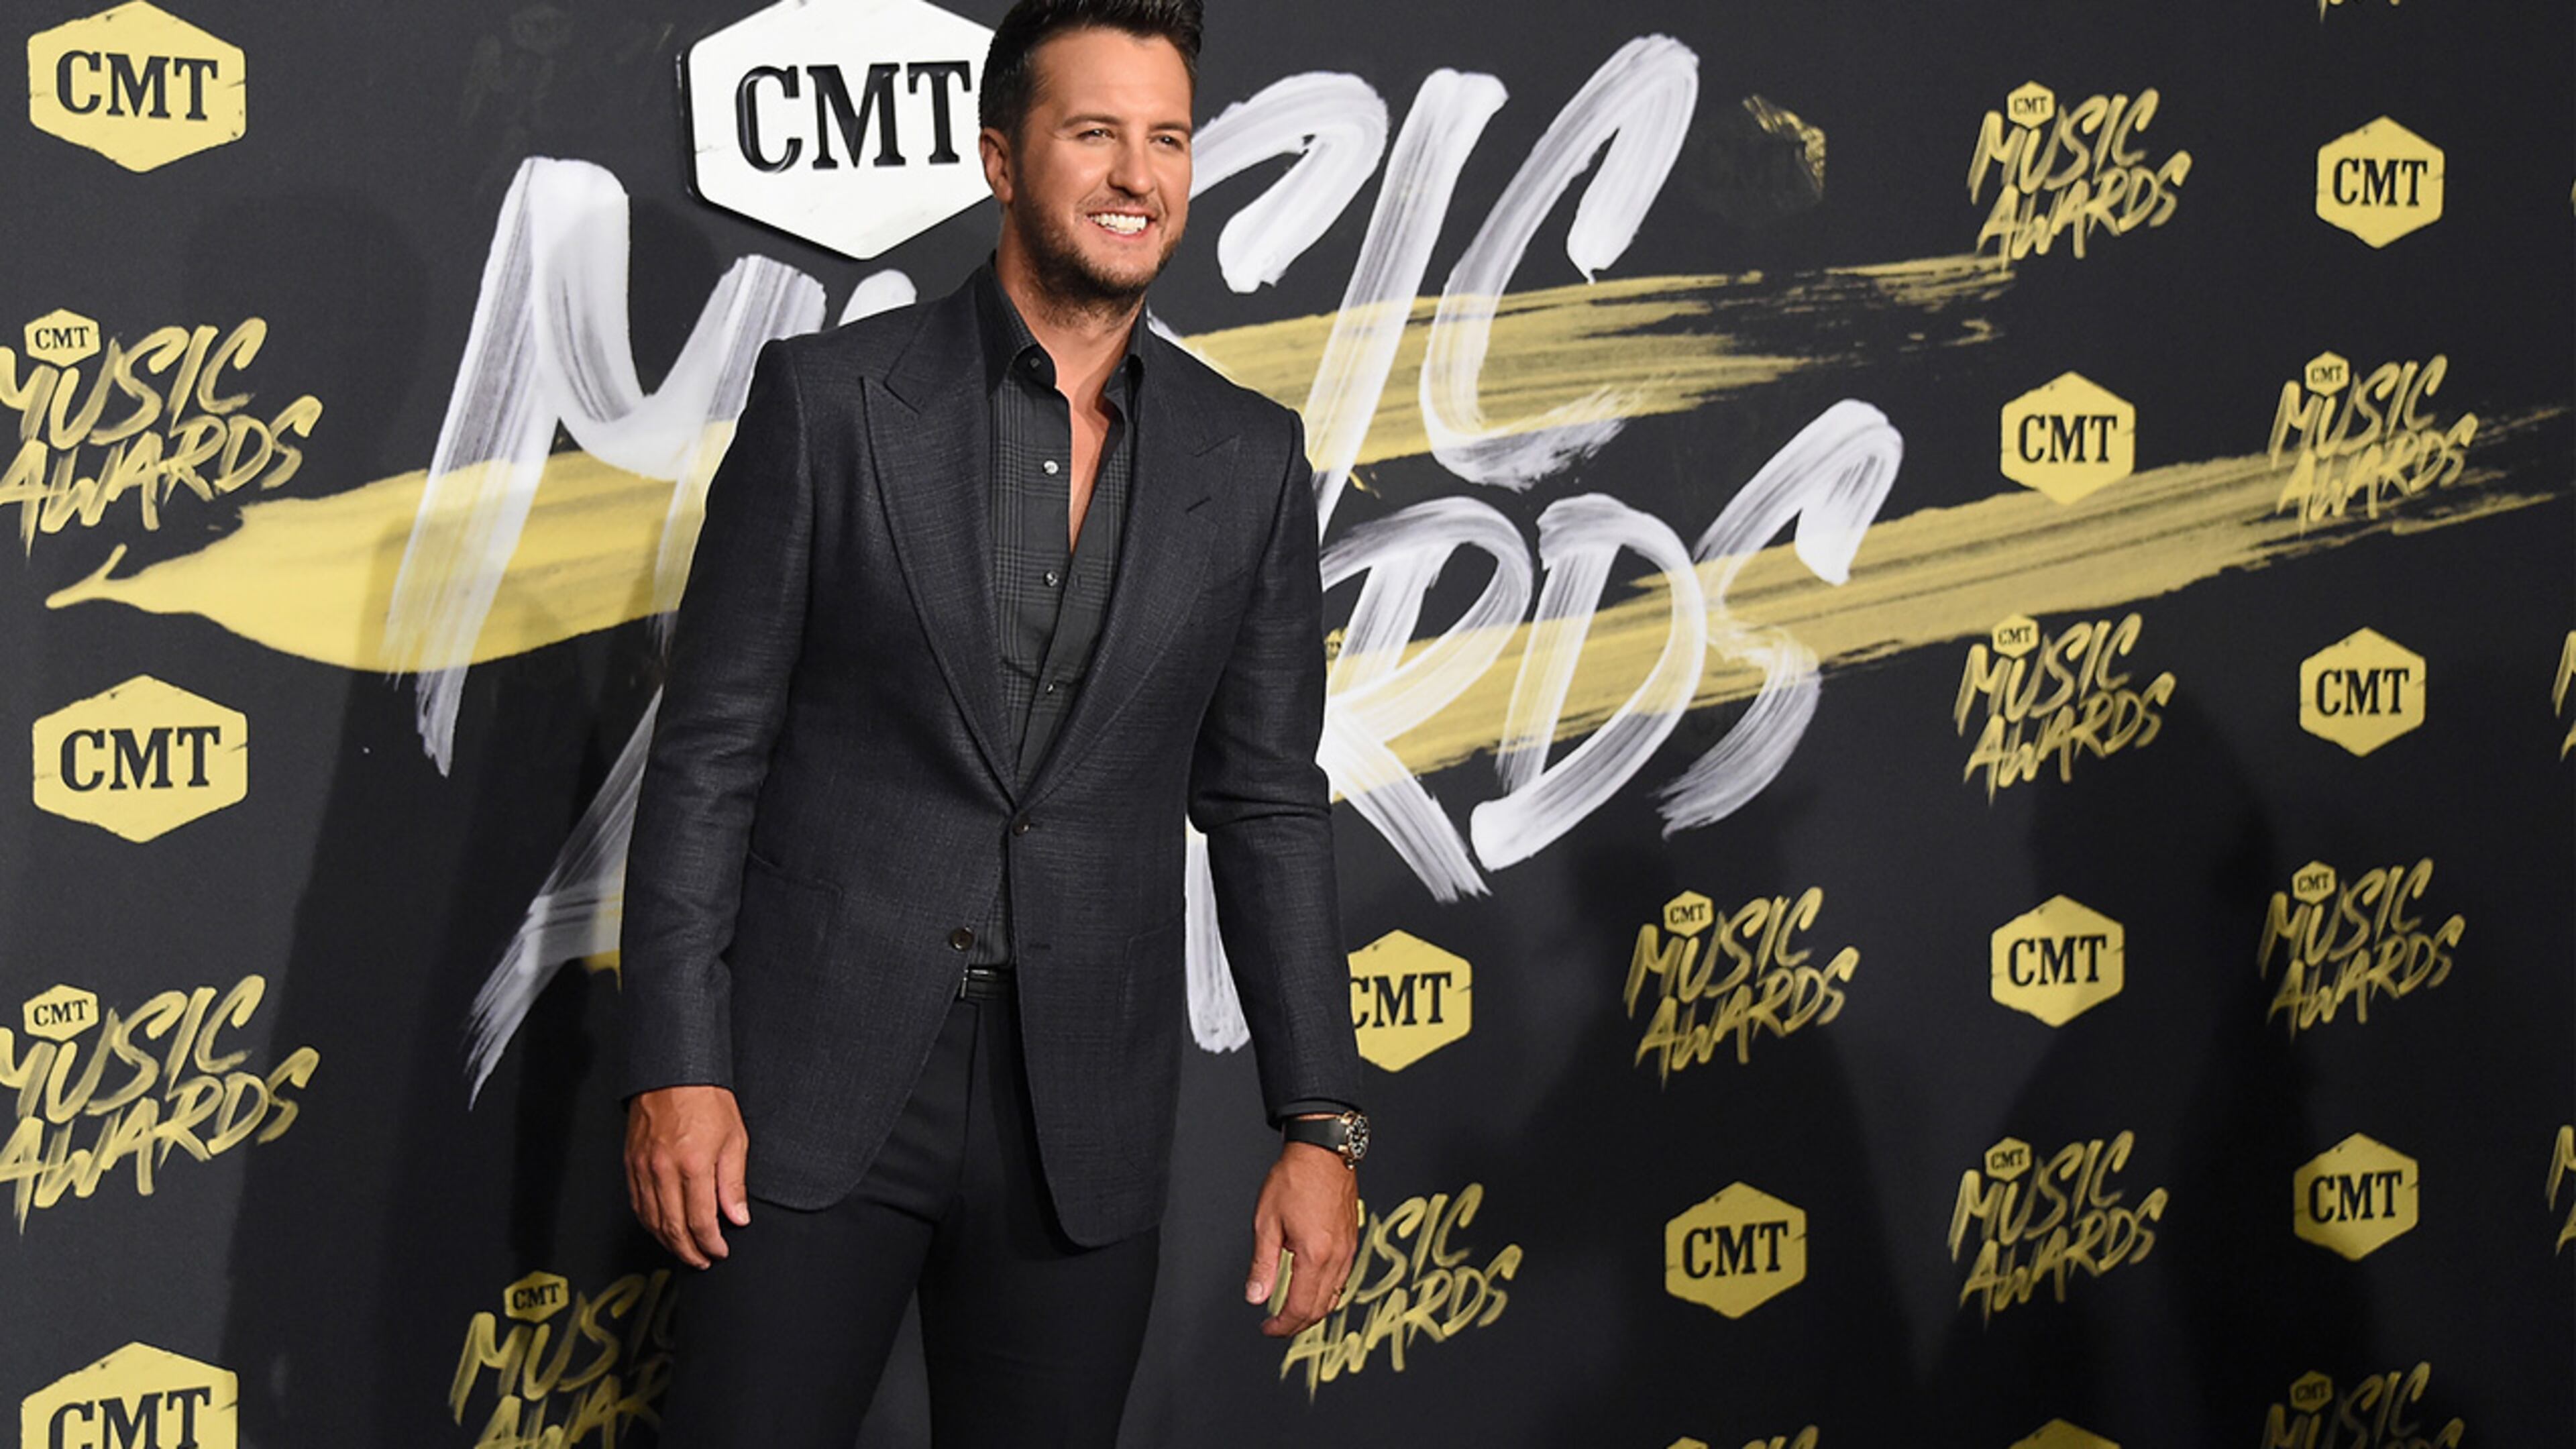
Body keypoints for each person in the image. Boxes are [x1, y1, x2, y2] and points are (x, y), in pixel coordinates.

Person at [616, 1, 1368, 1442]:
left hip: (1081, 1119)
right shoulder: (830, 403)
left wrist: (1320, 1121)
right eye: (1095, 133)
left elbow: (1268, 802)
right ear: (1001, 158)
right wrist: (677, 1062)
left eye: (1168, 139)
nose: (1138, 175)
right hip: (802, 1097)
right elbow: (709, 755)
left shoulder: (1251, 459)